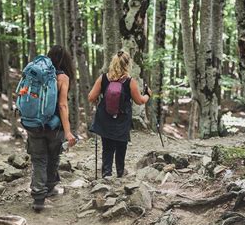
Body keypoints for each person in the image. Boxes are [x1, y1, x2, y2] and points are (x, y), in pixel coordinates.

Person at [26, 45, 76, 212]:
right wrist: (68, 131)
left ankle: (38, 198)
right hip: (54, 127)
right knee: (53, 157)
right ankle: (50, 188)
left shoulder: (37, 73)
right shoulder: (63, 77)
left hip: (34, 123)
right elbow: (62, 105)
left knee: (38, 159)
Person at [88, 51, 152, 178]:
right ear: (127, 64)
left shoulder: (103, 78)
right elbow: (139, 101)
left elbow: (91, 97)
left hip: (105, 118)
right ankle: (120, 173)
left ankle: (106, 174)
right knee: (121, 147)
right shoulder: (130, 81)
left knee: (107, 147)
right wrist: (147, 94)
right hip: (122, 119)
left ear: (113, 62)